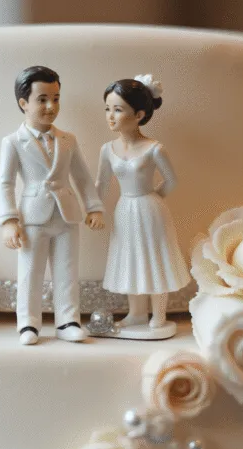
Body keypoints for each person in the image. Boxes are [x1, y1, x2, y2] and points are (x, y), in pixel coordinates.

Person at [0, 66, 105, 345]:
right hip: (32, 217)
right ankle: (28, 324)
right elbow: (5, 183)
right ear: (23, 103)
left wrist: (93, 207)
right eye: (42, 99)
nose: (50, 106)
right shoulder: (12, 142)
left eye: (56, 98)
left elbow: (81, 176)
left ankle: (67, 320)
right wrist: (8, 220)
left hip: (67, 214)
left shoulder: (68, 140)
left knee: (67, 270)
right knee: (31, 271)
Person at [96, 75, 190, 330]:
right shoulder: (107, 150)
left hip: (149, 209)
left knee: (154, 257)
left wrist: (153, 199)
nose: (110, 116)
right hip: (124, 209)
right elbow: (102, 185)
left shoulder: (154, 149)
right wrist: (93, 209)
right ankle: (136, 313)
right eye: (107, 109)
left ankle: (159, 314)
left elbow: (172, 180)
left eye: (118, 109)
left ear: (138, 114)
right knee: (130, 259)